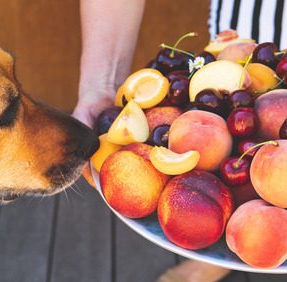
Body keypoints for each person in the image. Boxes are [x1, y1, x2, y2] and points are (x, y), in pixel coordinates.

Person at [72, 0, 286, 281]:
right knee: (225, 201)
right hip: (243, 40)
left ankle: (238, 234)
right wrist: (101, 85)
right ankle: (224, 244)